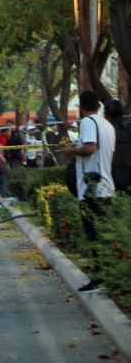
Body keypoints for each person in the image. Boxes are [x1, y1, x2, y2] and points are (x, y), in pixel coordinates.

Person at [60, 90, 116, 293]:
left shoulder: (87, 122)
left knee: (94, 234)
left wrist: (71, 150)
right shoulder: (107, 124)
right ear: (99, 105)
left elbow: (91, 148)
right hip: (106, 187)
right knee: (102, 234)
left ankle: (100, 278)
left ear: (81, 107)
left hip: (92, 188)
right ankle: (107, 275)